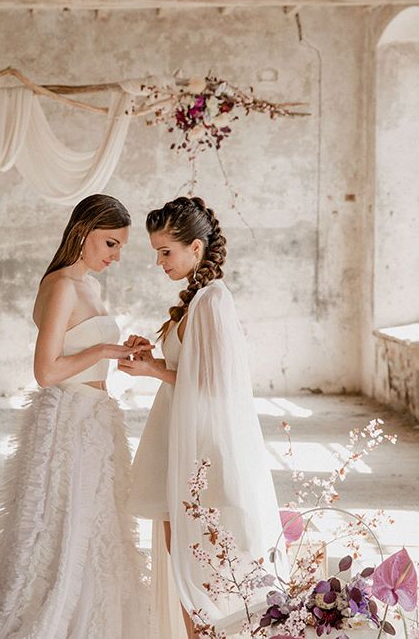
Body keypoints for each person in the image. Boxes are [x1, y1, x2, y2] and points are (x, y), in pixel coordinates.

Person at [0, 194, 151, 639]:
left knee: (97, 527)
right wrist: (104, 349)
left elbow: (85, 354)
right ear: (83, 233)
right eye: (110, 244)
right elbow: (45, 372)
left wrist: (125, 353)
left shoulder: (90, 285)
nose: (116, 256)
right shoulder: (61, 285)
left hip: (97, 419)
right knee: (62, 527)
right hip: (69, 420)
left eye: (120, 246)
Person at [121, 196, 283, 639]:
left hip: (203, 445)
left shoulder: (212, 301)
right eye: (156, 252)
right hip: (180, 435)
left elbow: (215, 386)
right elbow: (191, 370)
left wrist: (154, 369)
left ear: (196, 248)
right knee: (183, 563)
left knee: (201, 564)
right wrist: (152, 359)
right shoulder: (197, 299)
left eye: (165, 251)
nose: (159, 261)